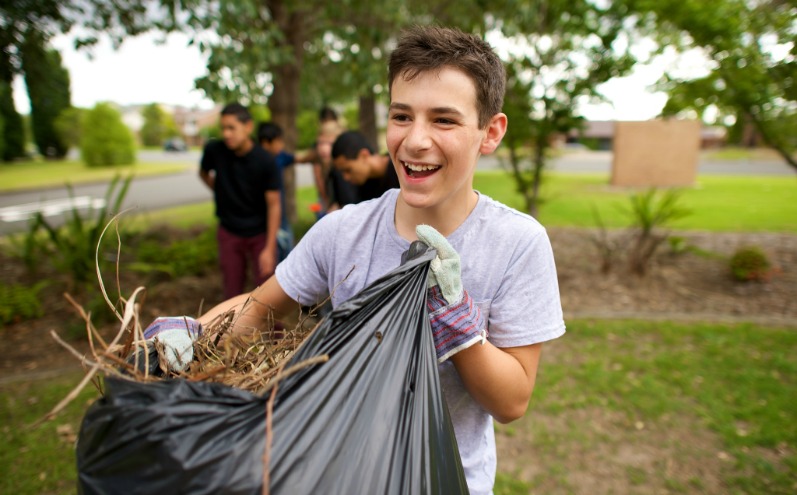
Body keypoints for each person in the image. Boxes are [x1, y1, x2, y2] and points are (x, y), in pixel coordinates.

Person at [195, 26, 565, 494]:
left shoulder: (516, 242)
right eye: (401, 116)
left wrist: (456, 321)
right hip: (334, 476)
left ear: (490, 132)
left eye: (444, 120)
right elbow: (258, 308)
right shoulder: (343, 231)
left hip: (445, 481)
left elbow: (512, 401)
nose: (414, 141)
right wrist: (191, 337)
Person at [199, 103, 282, 299]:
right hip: (229, 230)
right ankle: (234, 331)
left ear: (248, 127)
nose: (226, 134)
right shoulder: (215, 151)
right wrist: (220, 191)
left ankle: (273, 332)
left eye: (231, 128)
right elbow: (203, 173)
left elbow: (274, 205)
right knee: (232, 292)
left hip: (259, 233)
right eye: (223, 128)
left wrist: (270, 249)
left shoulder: (265, 160)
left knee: (267, 295)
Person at [257, 121, 294, 262]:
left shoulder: (279, 157)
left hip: (282, 217)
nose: (281, 145)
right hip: (264, 221)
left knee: (287, 256)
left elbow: (298, 158)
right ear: (266, 143)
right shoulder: (259, 163)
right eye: (278, 141)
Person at [331, 130, 400, 202]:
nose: (346, 177)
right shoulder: (364, 187)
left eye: (348, 170)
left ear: (364, 155)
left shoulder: (400, 168)